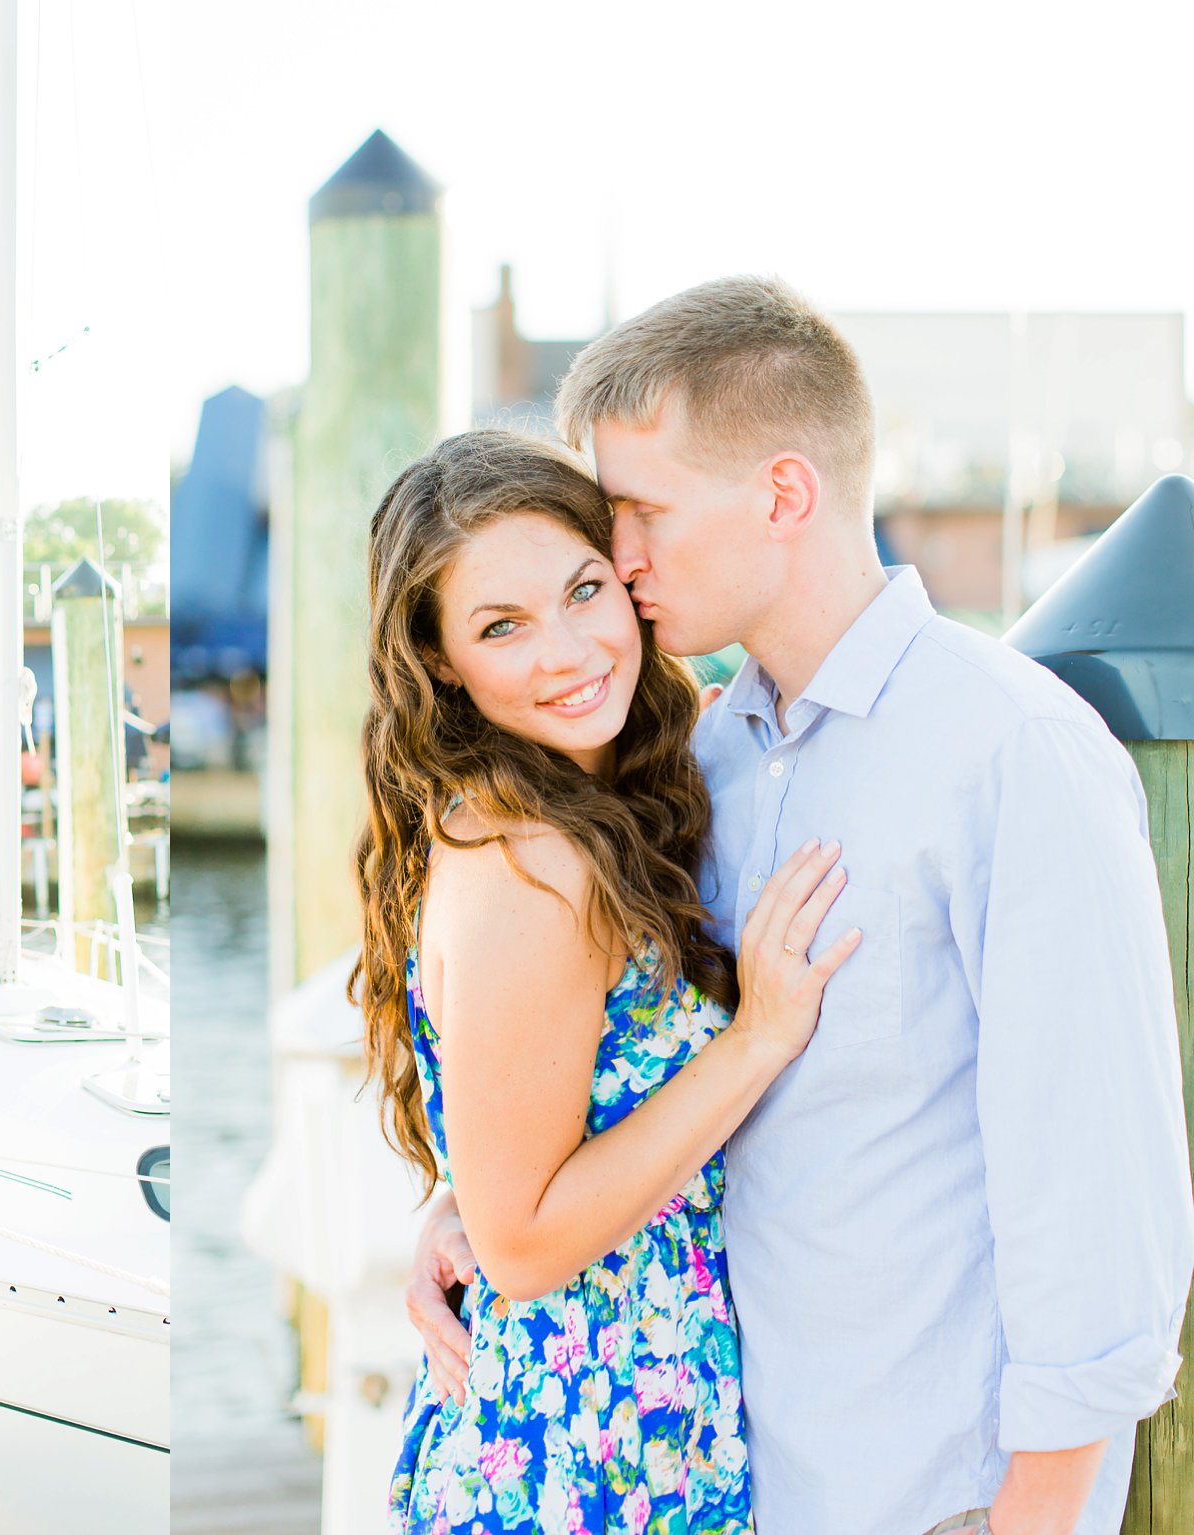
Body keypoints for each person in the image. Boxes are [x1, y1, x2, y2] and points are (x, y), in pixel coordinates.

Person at [401, 276, 1194, 1535]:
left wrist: (1030, 1519)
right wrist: (476, 1196)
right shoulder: (699, 762)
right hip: (717, 1484)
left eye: (643, 513)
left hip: (930, 1502)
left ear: (782, 493)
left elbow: (1099, 1198)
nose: (621, 558)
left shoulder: (1011, 751)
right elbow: (609, 1078)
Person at [357, 431, 860, 1533]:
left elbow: (529, 1139)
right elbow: (525, 1243)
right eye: (500, 625)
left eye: (583, 589)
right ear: (440, 659)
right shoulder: (530, 861)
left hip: (622, 1435)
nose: (568, 649)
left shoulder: (584, 811)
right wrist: (757, 1037)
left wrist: (460, 1195)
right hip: (577, 1460)